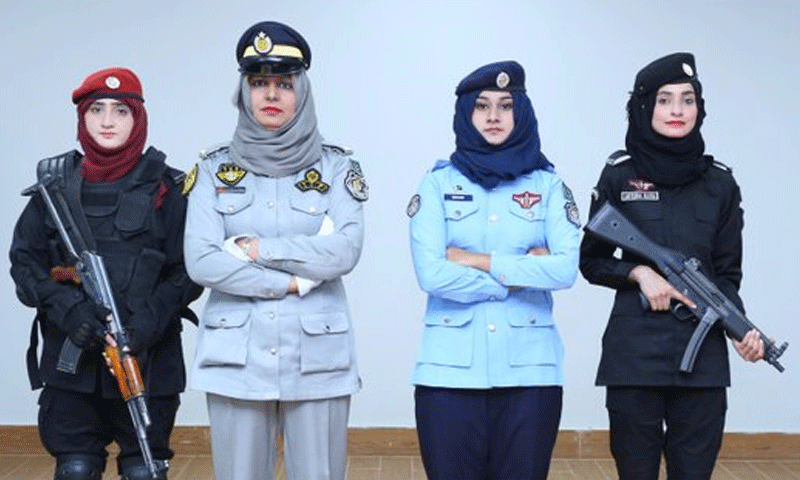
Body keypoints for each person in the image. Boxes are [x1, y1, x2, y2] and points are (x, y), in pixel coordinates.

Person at [183, 21, 367, 480]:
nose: (270, 94)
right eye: (258, 82)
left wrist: (256, 248)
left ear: (301, 90)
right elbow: (202, 261)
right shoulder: (213, 169)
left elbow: (344, 252)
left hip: (318, 354)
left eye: (284, 84)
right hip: (236, 354)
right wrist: (289, 281)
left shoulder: (337, 166)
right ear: (243, 91)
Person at [579, 52, 765, 480]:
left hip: (703, 366)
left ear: (700, 108)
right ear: (645, 107)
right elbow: (590, 261)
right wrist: (639, 273)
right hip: (633, 357)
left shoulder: (720, 183)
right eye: (664, 100)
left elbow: (727, 275)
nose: (677, 110)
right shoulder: (619, 176)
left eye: (688, 99)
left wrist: (743, 331)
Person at [9, 67, 201, 480]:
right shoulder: (54, 187)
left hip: (147, 360)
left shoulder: (168, 189)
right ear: (82, 117)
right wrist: (68, 309)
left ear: (138, 118)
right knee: (75, 467)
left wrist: (147, 323)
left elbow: (188, 271)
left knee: (145, 468)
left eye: (121, 110)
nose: (108, 121)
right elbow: (25, 264)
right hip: (70, 364)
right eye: (96, 109)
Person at [408, 60, 581, 480]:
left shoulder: (548, 185)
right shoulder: (437, 184)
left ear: (521, 113)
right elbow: (431, 274)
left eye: (505, 106)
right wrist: (520, 275)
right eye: (482, 106)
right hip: (448, 374)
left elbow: (564, 269)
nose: (493, 116)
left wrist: (480, 261)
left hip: (531, 371)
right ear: (466, 115)